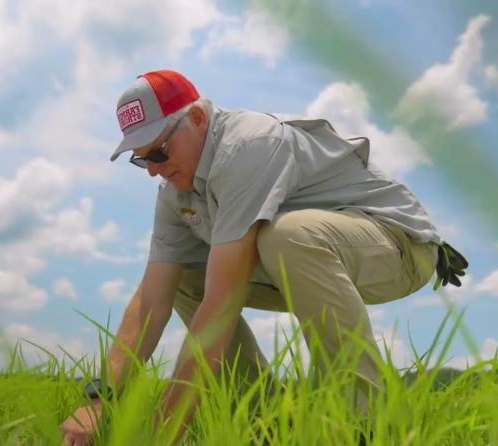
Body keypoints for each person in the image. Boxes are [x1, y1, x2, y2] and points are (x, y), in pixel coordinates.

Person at [60, 69, 467, 445]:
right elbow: (152, 301)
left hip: (396, 245)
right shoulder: (175, 192)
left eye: (159, 152)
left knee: (286, 236)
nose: (152, 170)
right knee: (187, 275)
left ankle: (369, 423)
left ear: (198, 118)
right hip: (305, 262)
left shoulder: (249, 145)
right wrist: (100, 398)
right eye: (141, 158)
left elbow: (220, 306)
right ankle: (264, 423)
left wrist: (162, 433)